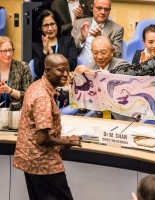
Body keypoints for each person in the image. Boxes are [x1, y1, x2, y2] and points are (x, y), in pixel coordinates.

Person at [13, 53, 82, 200]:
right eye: (60, 70)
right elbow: (43, 139)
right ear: (48, 71)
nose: (65, 75)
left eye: (67, 70)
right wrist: (67, 141)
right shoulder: (43, 97)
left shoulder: (36, 85)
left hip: (31, 161)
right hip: (43, 163)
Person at [74, 35, 134, 121]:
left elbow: (111, 79)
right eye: (95, 53)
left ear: (112, 51)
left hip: (121, 117)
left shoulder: (122, 65)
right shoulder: (89, 66)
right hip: (98, 117)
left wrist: (90, 73)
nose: (99, 57)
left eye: (103, 52)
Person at [32, 9, 77, 80]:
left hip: (65, 80)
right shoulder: (36, 46)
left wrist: (52, 53)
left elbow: (73, 64)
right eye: (46, 25)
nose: (50, 29)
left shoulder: (68, 41)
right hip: (46, 83)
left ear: (57, 24)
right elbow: (39, 72)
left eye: (52, 24)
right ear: (41, 28)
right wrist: (44, 53)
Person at [0, 36, 32, 107]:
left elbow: (29, 96)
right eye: (4, 51)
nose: (8, 54)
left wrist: (9, 90)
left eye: (10, 50)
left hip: (17, 112)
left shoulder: (23, 67)